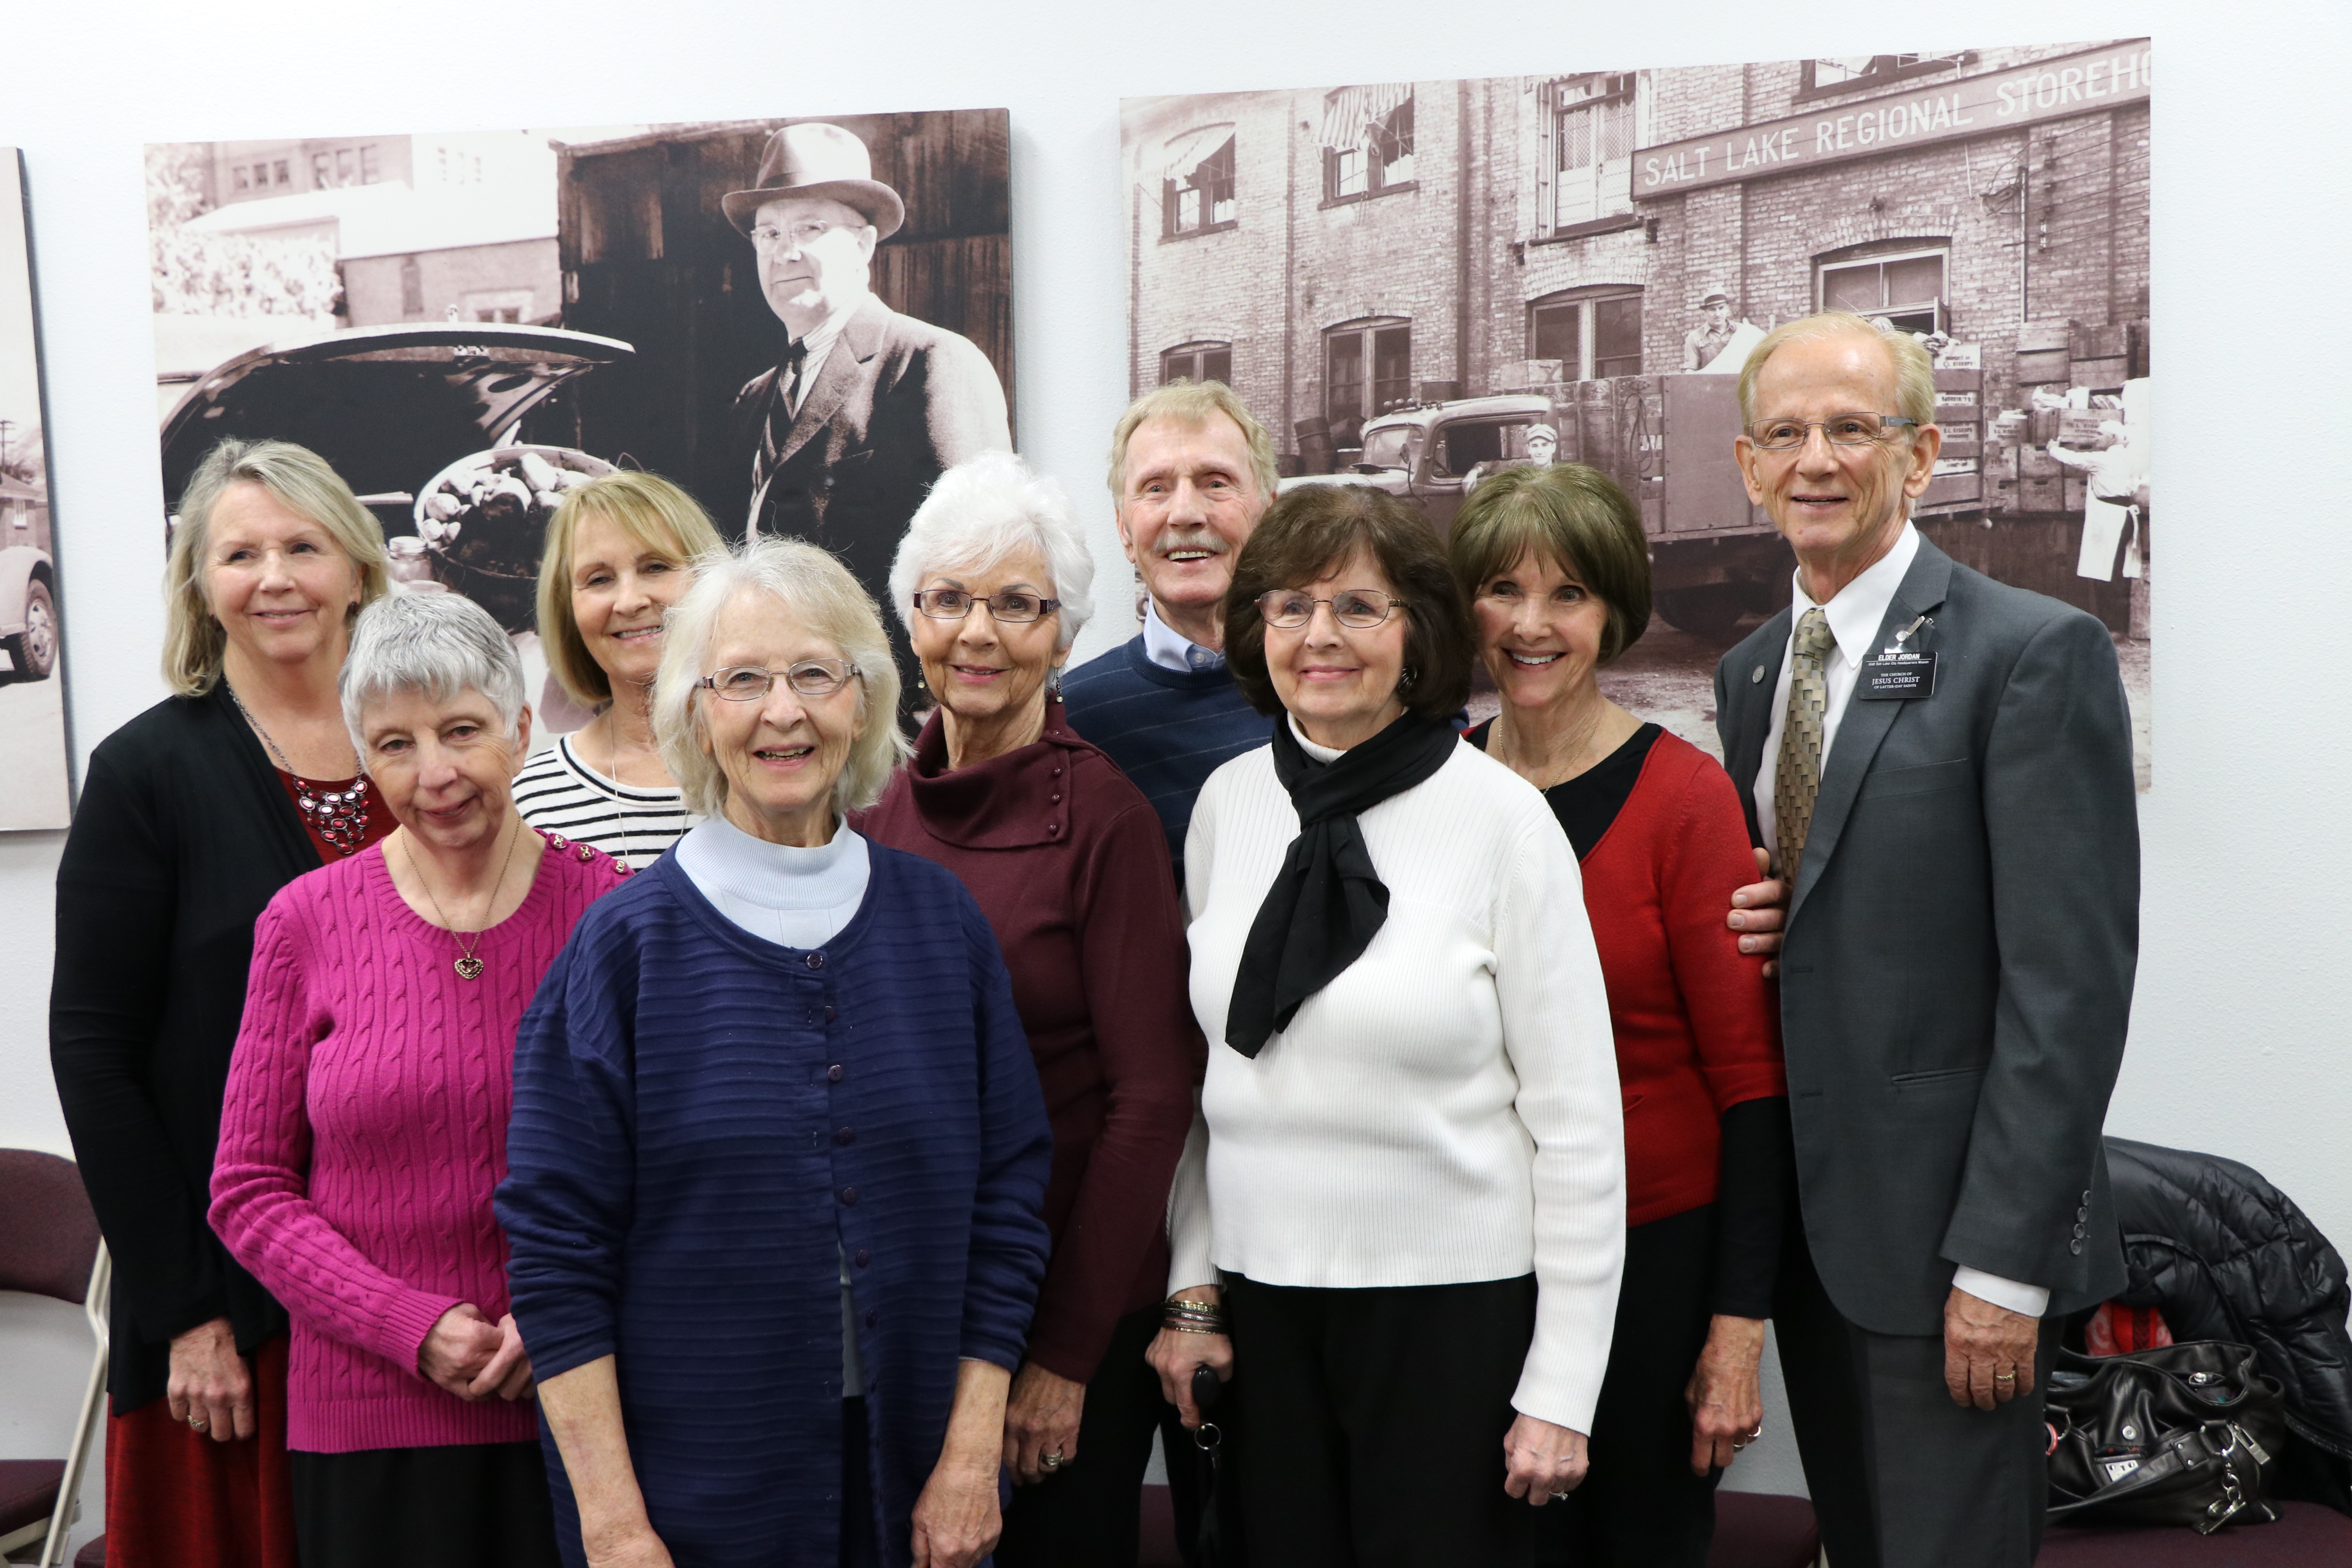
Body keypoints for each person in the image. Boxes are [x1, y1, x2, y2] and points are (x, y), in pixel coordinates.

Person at [496, 537, 1053, 1568]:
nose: (783, 712)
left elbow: (1008, 1205)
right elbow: (557, 1260)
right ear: (695, 713)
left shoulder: (943, 926)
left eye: (812, 674)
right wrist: (615, 1526)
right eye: (743, 680)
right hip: (686, 1500)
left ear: (864, 697)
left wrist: (974, 1455)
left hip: (923, 1484)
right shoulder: (622, 951)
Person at [1714, 311, 2139, 1567]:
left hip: (1956, 1243)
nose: (1815, 460)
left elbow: (2065, 988)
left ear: (1922, 453)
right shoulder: (1748, 673)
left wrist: (2002, 1266)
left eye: (1853, 428)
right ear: (1744, 465)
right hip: (1810, 1227)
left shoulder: (2029, 652)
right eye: (1784, 433)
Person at [1147, 483, 1626, 1564]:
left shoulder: (1505, 821)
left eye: (1358, 608)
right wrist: (1194, 1289)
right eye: (1290, 607)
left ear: (1417, 632)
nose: (1321, 637)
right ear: (1254, 629)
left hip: (1452, 1322)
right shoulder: (1228, 805)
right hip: (1265, 1319)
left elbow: (1582, 1128)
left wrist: (1562, 1388)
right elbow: (1211, 1083)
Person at [209, 592, 624, 1567]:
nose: (434, 774)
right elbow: (249, 1191)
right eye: (394, 744)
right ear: (363, 757)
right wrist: (410, 1323)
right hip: (368, 1422)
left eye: (462, 730)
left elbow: (666, 1164)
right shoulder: (303, 920)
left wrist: (560, 1311)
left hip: (581, 1401)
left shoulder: (615, 910)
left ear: (521, 729)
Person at [49, 437, 392, 1568]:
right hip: (238, 1311)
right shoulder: (146, 772)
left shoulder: (430, 746)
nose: (276, 576)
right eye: (239, 553)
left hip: (427, 1291)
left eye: (303, 545)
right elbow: (94, 1054)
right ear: (201, 583)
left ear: (357, 563)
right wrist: (185, 1309)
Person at [853, 452, 1202, 1565]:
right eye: (949, 599)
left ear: (1063, 633)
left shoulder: (1104, 818)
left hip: (1065, 1312)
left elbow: (1151, 1102)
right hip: (912, 1308)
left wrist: (1062, 1356)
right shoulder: (871, 811)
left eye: (1017, 605)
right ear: (911, 619)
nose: (979, 633)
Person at [1453, 464, 1787, 1566]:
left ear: (1616, 613)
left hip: (1655, 1255)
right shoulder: (1439, 786)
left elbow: (1751, 1088)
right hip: (1481, 1259)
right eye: (1504, 589)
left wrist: (1737, 1332)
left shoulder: (1686, 796)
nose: (1533, 625)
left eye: (1571, 596)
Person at [726, 121, 1012, 704]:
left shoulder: (930, 362)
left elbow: (984, 567)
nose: (786, 252)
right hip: (777, 716)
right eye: (768, 234)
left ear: (862, 244)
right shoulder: (753, 397)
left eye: (810, 227)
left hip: (893, 724)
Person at [1058, 381, 1279, 875]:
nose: (1184, 513)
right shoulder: (1073, 720)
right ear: (1124, 531)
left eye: (1216, 482)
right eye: (1156, 488)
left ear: (1267, 510)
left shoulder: (1332, 682)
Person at [514, 472, 725, 867]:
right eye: (600, 579)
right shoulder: (529, 800)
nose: (629, 602)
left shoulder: (773, 758)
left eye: (656, 567)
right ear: (569, 610)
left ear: (713, 580)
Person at [1682, 293, 1739, 371]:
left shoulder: (1741, 331)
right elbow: (1690, 370)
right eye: (1713, 310)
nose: (1718, 314)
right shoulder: (1695, 337)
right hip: (1708, 383)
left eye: (1721, 308)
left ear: (1727, 310)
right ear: (1705, 313)